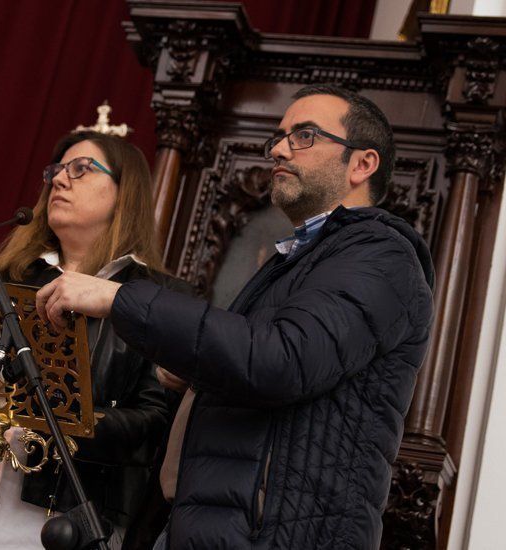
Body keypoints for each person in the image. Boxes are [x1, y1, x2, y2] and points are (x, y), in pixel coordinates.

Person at [34, 84, 436, 549]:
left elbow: (279, 361)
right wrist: (199, 380)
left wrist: (120, 299)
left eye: (304, 135)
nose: (280, 149)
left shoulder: (381, 255)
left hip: (279, 534)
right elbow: (273, 367)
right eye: (279, 137)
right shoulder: (300, 258)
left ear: (362, 164)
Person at [0, 130, 184, 549]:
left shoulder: (158, 299)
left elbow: (157, 420)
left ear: (125, 192)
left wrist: (66, 417)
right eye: (57, 170)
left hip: (49, 520)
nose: (60, 180)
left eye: (81, 169)